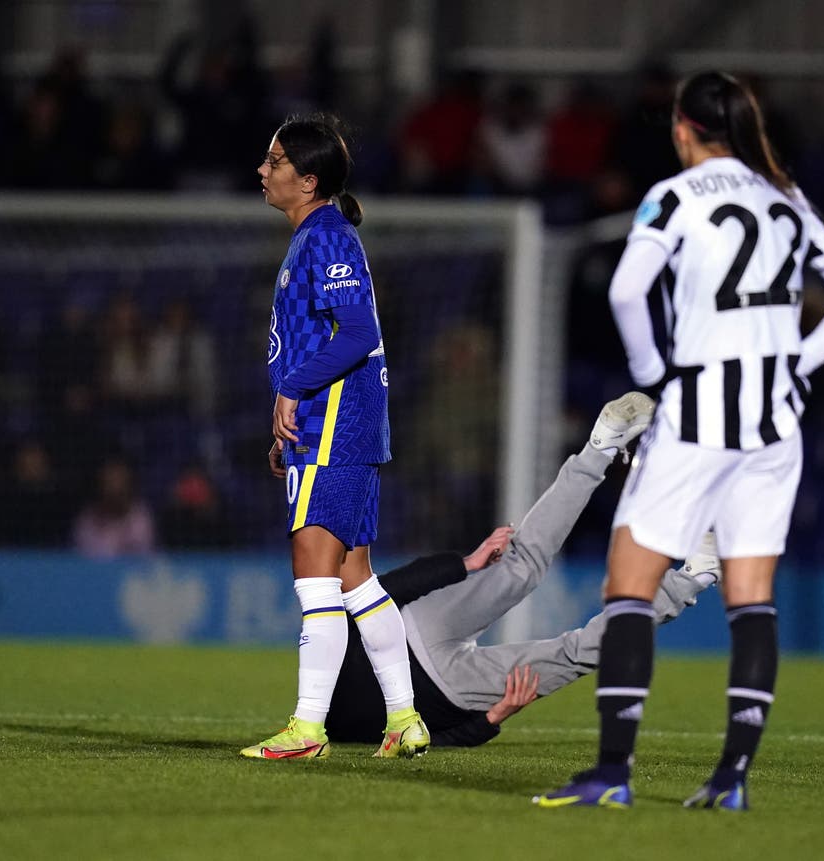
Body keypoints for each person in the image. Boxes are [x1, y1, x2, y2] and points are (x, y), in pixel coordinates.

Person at [535, 71, 824, 810]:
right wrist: (801, 361)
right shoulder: (785, 196)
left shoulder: (673, 195)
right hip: (775, 421)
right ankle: (730, 779)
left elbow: (628, 291)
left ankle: (611, 773)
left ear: (683, 128)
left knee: (629, 585)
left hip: (699, 412)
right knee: (751, 598)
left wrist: (654, 373)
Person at [324, 393, 719, 747]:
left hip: (448, 692)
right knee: (521, 563)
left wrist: (489, 720)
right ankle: (601, 445)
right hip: (415, 630)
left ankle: (694, 576)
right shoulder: (331, 657)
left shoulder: (341, 729)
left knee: (573, 654)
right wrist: (462, 564)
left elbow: (419, 741)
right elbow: (381, 594)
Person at [241, 114, 429, 761]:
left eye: (274, 161)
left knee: (315, 580)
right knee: (357, 581)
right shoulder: (317, 237)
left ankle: (307, 728)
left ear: (309, 178)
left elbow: (355, 333)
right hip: (331, 427)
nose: (262, 170)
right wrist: (286, 408)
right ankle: (404, 718)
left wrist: (292, 391)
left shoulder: (326, 238)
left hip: (333, 426)